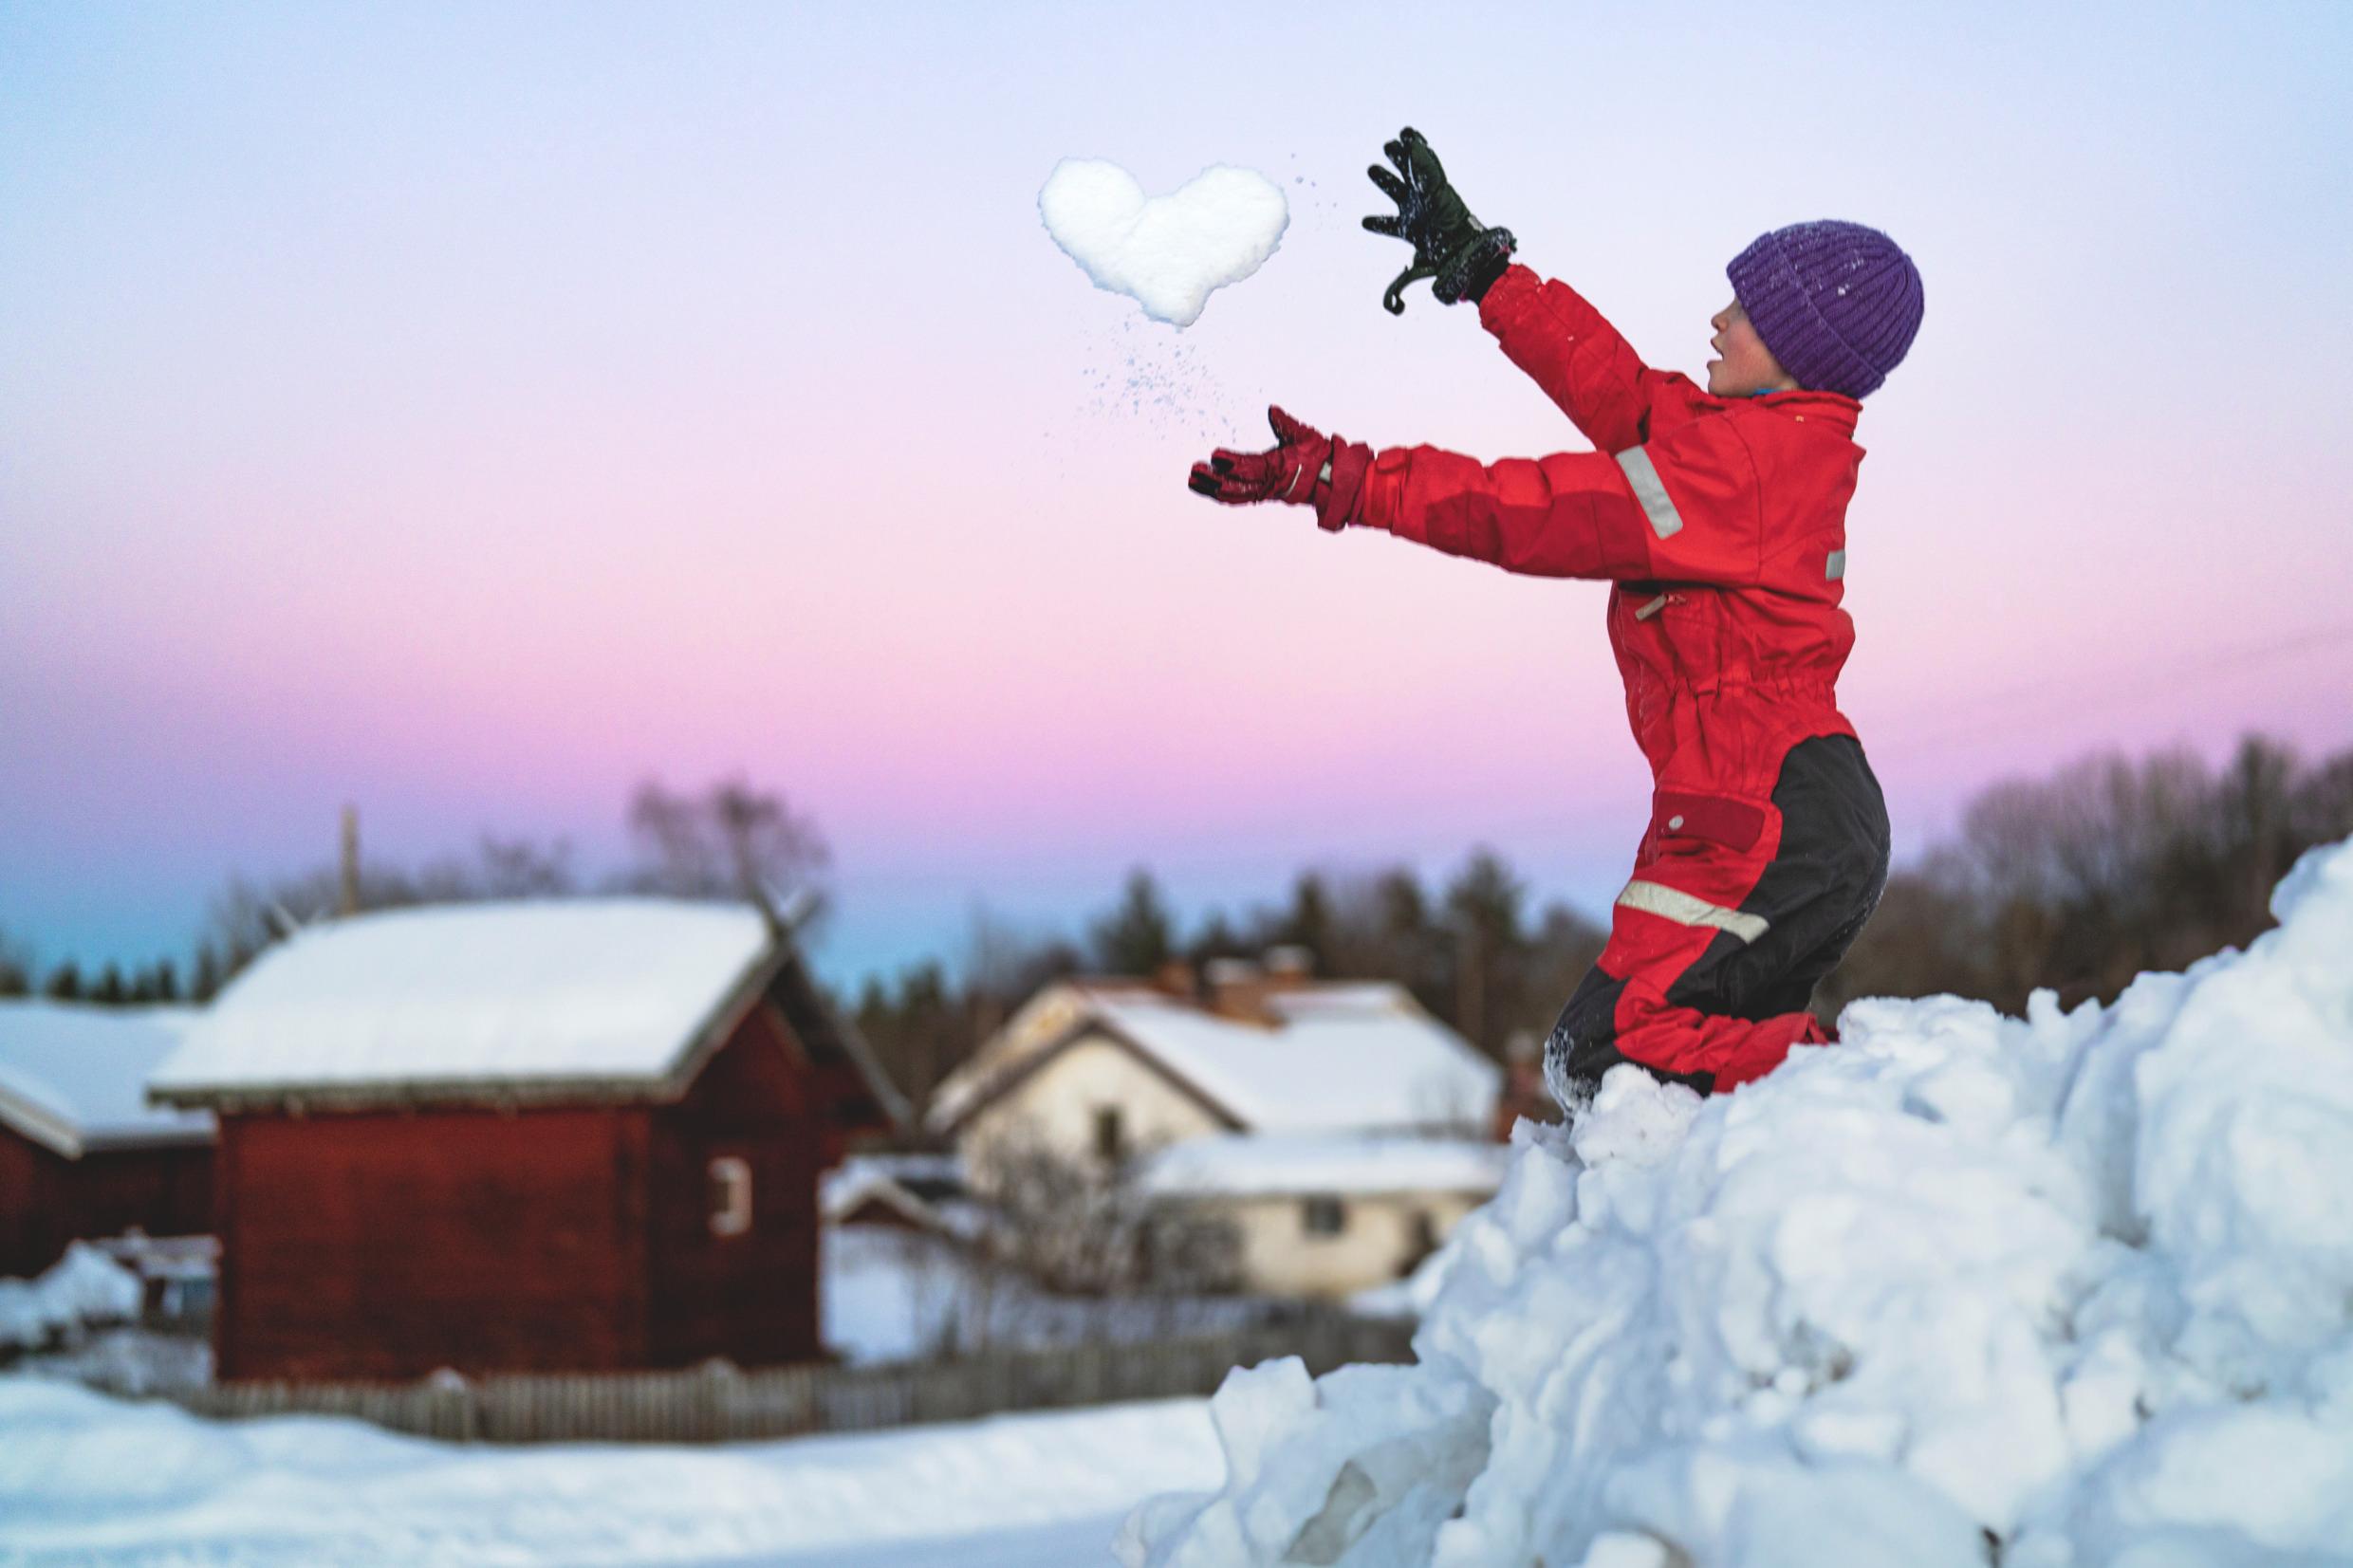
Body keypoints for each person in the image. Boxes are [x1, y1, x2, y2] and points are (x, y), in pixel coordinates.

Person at [1187, 128, 1922, 1112]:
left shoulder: (1736, 476)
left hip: (1761, 819)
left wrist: (1344, 477)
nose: (1715, 318)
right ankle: (1820, 1172)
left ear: (1797, 352)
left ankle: (1894, 1110)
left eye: (1743, 311)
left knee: (1611, 1059)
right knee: (1657, 1066)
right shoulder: (1753, 447)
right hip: (1778, 809)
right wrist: (1485, 271)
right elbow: (1614, 387)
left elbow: (1526, 511)